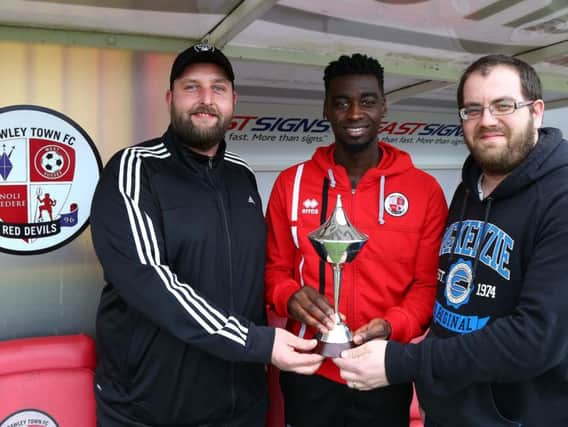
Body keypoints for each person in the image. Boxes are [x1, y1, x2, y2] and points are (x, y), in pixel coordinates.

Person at [90, 43, 323, 427]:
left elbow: (255, 271)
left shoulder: (242, 175)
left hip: (240, 407)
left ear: (233, 99)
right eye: (191, 87)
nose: (205, 99)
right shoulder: (134, 168)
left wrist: (291, 296)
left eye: (217, 88)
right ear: (169, 98)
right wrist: (256, 342)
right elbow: (150, 279)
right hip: (150, 409)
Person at [334, 54, 568, 427]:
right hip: (448, 409)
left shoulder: (560, 197)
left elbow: (535, 339)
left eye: (503, 105)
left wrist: (405, 363)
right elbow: (450, 299)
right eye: (472, 109)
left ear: (536, 111)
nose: (487, 120)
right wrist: (433, 389)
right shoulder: (469, 187)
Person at [265, 53, 448, 427]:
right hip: (308, 369)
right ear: (326, 109)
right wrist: (288, 295)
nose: (354, 114)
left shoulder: (424, 190)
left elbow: (427, 285)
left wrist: (393, 326)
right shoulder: (291, 183)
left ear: (383, 108)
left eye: (366, 101)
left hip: (382, 368)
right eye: (341, 102)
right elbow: (274, 270)